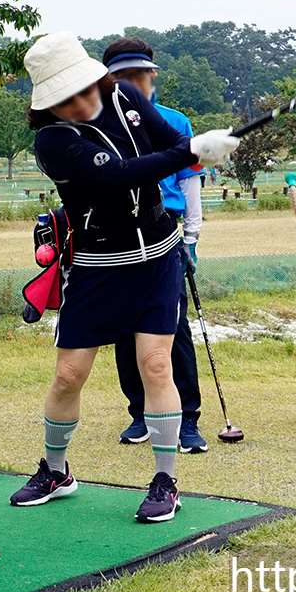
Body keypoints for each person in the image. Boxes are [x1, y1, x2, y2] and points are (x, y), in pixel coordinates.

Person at [10, 32, 238, 522]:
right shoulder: (52, 141)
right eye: (64, 99)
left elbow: (173, 145)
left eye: (83, 90)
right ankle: (55, 470)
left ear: (96, 77)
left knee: (156, 364)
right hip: (96, 266)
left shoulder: (125, 94)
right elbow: (118, 176)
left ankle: (165, 481)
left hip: (158, 253)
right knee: (69, 374)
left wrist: (200, 150)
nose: (79, 103)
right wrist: (191, 151)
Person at [99, 38, 209, 452]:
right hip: (114, 236)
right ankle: (140, 413)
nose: (134, 83)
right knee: (124, 327)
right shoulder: (96, 127)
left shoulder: (173, 122)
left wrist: (193, 238)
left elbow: (189, 182)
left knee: (172, 328)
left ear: (152, 77)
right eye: (123, 77)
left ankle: (186, 419)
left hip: (166, 230)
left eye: (141, 75)